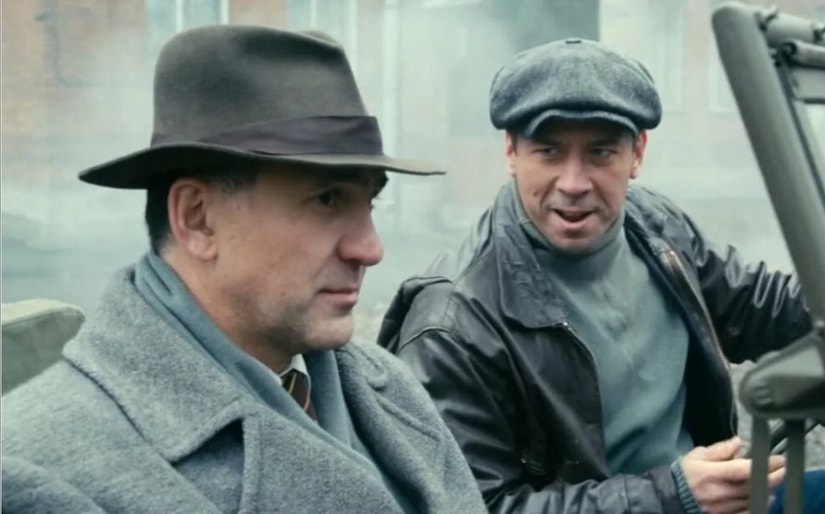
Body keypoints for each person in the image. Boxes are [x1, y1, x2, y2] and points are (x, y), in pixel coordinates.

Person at [375, 38, 825, 514]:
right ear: (511, 153)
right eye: (549, 151)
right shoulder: (451, 325)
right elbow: (474, 506)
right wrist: (670, 496)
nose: (573, 183)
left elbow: (758, 306)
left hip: (707, 500)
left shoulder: (653, 225)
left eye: (600, 152)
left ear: (637, 154)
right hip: (681, 501)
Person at [1, 25, 488, 514]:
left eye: (370, 203)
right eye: (327, 199)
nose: (371, 248)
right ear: (197, 218)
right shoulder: (39, 467)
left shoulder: (390, 387)